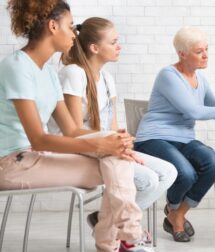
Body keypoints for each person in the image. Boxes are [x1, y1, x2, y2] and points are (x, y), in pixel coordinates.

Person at [0, 1, 154, 251]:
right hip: (11, 163)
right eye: (71, 27)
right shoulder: (17, 67)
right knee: (115, 164)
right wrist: (101, 143)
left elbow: (71, 129)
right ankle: (125, 235)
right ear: (52, 26)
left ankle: (118, 239)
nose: (75, 34)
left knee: (116, 157)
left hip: (36, 156)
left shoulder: (48, 71)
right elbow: (38, 138)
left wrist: (112, 141)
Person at [48, 17, 177, 226]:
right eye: (113, 42)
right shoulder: (74, 74)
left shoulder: (107, 79)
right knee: (148, 180)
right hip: (75, 148)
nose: (119, 46)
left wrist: (125, 146)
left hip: (103, 146)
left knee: (169, 172)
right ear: (95, 48)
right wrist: (116, 146)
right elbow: (73, 131)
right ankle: (120, 229)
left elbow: (113, 127)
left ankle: (105, 221)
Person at [134, 26, 215, 242]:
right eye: (199, 51)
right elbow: (193, 111)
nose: (206, 55)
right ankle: (174, 214)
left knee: (212, 162)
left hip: (183, 139)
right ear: (182, 53)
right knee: (186, 173)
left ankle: (177, 213)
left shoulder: (201, 80)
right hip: (154, 138)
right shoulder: (168, 75)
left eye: (207, 49)